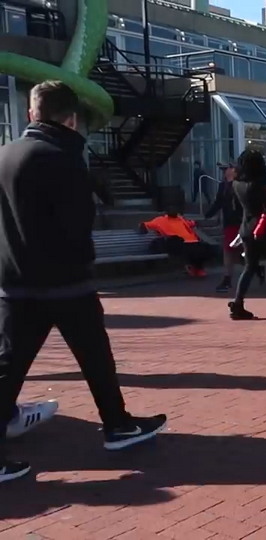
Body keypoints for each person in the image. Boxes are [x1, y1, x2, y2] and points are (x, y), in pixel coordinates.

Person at [0, 81, 166, 482]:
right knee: (96, 357)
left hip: (14, 280)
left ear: (31, 114)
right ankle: (117, 425)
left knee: (8, 366)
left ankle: (117, 424)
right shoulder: (64, 157)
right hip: (65, 281)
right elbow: (77, 225)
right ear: (71, 117)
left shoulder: (5, 154)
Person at [228, 149, 266, 320]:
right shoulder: (257, 186)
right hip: (264, 228)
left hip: (246, 228)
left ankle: (238, 302)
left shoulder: (237, 184)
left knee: (249, 267)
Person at [139, 208, 216, 276]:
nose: (174, 212)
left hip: (192, 241)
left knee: (206, 248)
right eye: (171, 210)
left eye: (175, 210)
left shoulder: (181, 219)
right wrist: (143, 228)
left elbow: (191, 223)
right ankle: (194, 267)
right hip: (178, 242)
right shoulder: (160, 220)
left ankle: (198, 268)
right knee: (186, 247)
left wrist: (195, 223)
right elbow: (146, 224)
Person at [205, 164, 245, 292]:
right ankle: (227, 278)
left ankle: (254, 267)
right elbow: (218, 202)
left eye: (226, 169)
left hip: (240, 222)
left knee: (241, 251)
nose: (224, 172)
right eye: (223, 170)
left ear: (234, 170)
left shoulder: (240, 184)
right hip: (229, 222)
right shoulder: (223, 186)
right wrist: (208, 214)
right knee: (228, 250)